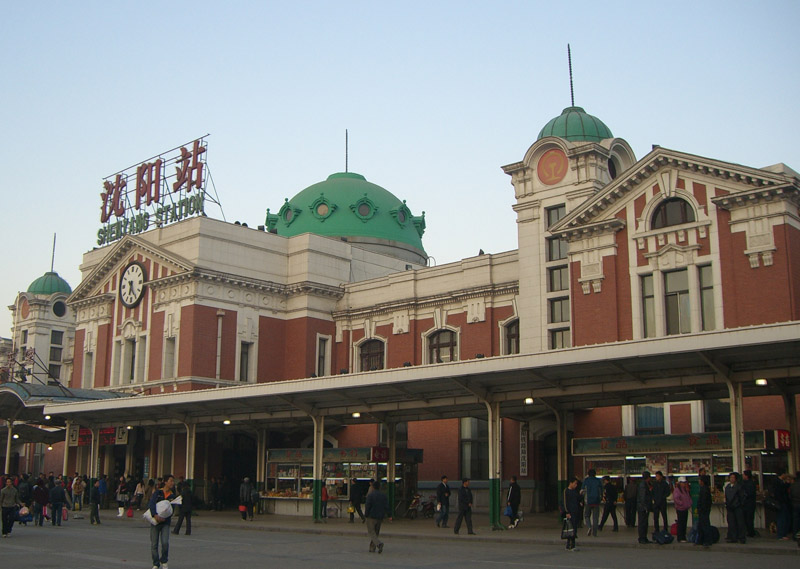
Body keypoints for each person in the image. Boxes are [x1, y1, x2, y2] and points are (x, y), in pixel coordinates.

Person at [149, 474, 175, 569]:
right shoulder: (158, 493)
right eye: (171, 481)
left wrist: (165, 517)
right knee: (154, 544)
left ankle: (164, 560)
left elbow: (171, 509)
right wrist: (155, 515)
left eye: (173, 481)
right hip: (155, 521)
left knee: (165, 542)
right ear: (165, 482)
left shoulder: (172, 495)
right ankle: (156, 563)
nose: (172, 483)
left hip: (165, 522)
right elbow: (151, 504)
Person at [364, 480, 389, 553]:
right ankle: (372, 548)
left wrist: (366, 514)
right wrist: (389, 515)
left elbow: (368, 505)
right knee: (376, 532)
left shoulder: (370, 495)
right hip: (380, 516)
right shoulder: (383, 495)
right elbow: (386, 506)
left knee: (371, 532)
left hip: (371, 516)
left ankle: (378, 544)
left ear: (373, 487)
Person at [724, 472, 746, 544]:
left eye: (733, 477)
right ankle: (733, 537)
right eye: (730, 477)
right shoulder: (727, 487)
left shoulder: (739, 487)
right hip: (730, 507)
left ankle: (741, 537)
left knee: (740, 522)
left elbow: (742, 497)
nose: (731, 479)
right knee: (731, 523)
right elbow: (726, 497)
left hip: (737, 506)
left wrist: (739, 504)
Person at [560, 477, 580, 551]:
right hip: (570, 512)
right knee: (570, 528)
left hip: (575, 512)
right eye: (575, 483)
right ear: (570, 483)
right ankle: (569, 545)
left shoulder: (575, 491)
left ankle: (572, 544)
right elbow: (564, 502)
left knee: (574, 529)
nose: (576, 485)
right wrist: (566, 512)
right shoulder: (566, 491)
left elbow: (578, 499)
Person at [582, 468, 602, 537]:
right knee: (595, 518)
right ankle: (595, 533)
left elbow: (582, 490)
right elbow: (601, 491)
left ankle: (589, 526)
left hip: (588, 501)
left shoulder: (586, 481)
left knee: (587, 515)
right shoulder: (598, 481)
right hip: (596, 501)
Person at [695, 474, 713, 548]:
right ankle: (701, 539)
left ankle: (707, 540)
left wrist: (701, 508)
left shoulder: (704, 490)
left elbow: (704, 501)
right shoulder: (704, 489)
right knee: (701, 525)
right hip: (703, 510)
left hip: (703, 510)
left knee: (705, 525)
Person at [672, 476, 692, 542]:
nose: (684, 484)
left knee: (684, 523)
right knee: (681, 523)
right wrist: (682, 504)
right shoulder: (677, 490)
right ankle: (680, 537)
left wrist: (689, 503)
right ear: (680, 483)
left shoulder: (685, 490)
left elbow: (688, 497)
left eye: (685, 482)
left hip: (685, 508)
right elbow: (676, 499)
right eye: (683, 482)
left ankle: (683, 536)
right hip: (680, 509)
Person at [636, 471, 654, 544]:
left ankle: (644, 537)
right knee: (642, 523)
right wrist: (645, 506)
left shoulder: (644, 484)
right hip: (643, 507)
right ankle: (642, 537)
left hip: (643, 506)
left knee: (644, 523)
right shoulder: (643, 485)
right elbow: (643, 497)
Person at [741, 470, 757, 538]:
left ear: (746, 476)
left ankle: (750, 532)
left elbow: (748, 494)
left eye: (743, 475)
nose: (742, 476)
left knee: (748, 518)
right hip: (749, 503)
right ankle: (749, 531)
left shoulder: (749, 484)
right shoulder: (750, 483)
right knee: (748, 518)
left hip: (748, 504)